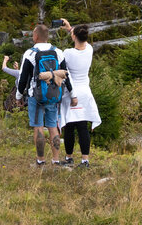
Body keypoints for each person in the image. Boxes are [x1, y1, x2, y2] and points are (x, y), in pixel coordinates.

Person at [16, 23, 69, 167]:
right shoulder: (58, 52)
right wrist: (71, 93)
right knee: (53, 126)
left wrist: (18, 96)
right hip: (54, 94)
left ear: (36, 36)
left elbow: (23, 77)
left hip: (36, 96)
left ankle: (40, 161)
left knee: (38, 127)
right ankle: (56, 160)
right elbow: (65, 74)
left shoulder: (30, 53)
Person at [57, 19, 100, 167]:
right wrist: (70, 28)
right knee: (83, 127)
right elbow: (82, 41)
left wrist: (70, 30)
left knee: (69, 126)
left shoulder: (67, 53)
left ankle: (69, 157)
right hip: (85, 93)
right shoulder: (89, 50)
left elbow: (64, 72)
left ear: (74, 36)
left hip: (71, 92)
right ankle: (85, 160)